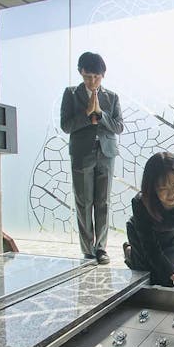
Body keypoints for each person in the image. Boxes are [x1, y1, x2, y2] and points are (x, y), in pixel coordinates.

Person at [60, 52, 124, 264]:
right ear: (81, 73)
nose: (92, 81)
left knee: (103, 201)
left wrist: (101, 114)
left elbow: (119, 127)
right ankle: (88, 249)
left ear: (103, 75)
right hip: (81, 154)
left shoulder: (112, 97)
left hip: (106, 154)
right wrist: (88, 115)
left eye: (96, 77)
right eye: (88, 76)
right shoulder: (70, 93)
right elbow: (66, 125)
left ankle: (101, 249)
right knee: (84, 201)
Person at [124, 152, 174, 287]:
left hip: (171, 236)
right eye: (162, 187)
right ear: (152, 187)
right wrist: (173, 277)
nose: (172, 193)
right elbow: (151, 249)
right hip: (143, 239)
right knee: (154, 279)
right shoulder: (140, 202)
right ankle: (130, 252)